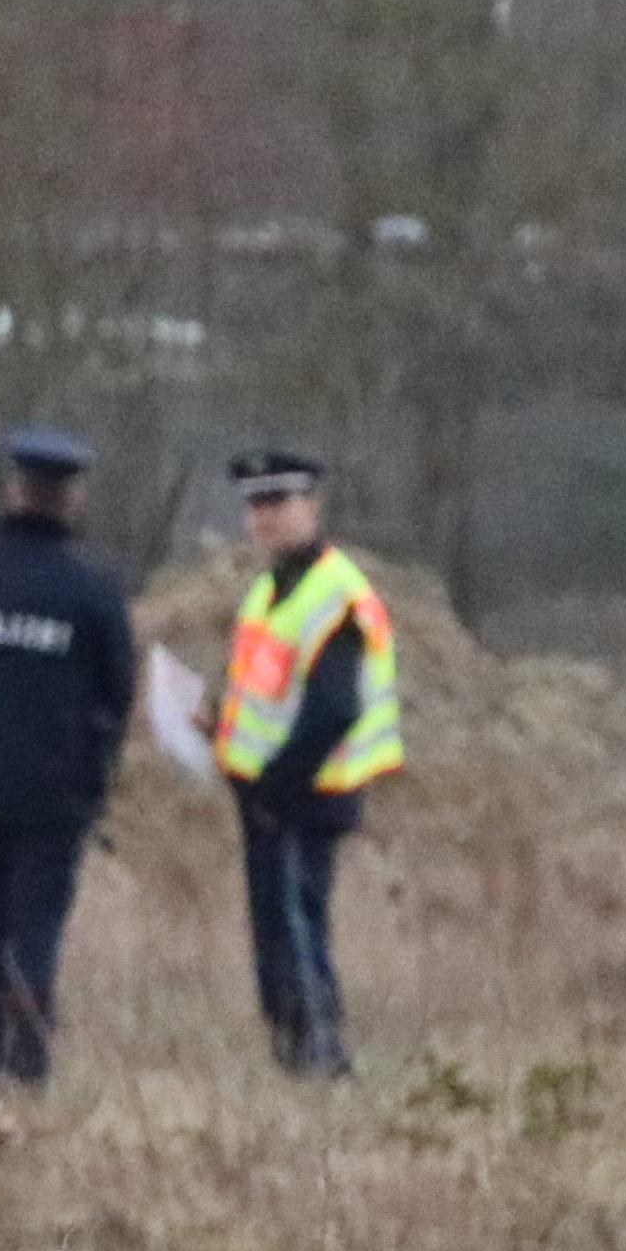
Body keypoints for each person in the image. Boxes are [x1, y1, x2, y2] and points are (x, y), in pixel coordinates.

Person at [0, 424, 134, 1108]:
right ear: (73, 499)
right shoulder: (94, 592)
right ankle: (28, 1066)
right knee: (33, 929)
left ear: (13, 490)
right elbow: (118, 691)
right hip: (55, 795)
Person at [213, 445, 404, 1079]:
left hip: (304, 793)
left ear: (312, 507)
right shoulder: (274, 586)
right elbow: (271, 689)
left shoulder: (332, 593)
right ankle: (300, 1050)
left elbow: (332, 709)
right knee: (283, 923)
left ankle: (317, 1056)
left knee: (294, 928)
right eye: (255, 505)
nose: (264, 517)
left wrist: (275, 788)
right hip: (275, 790)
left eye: (278, 503)